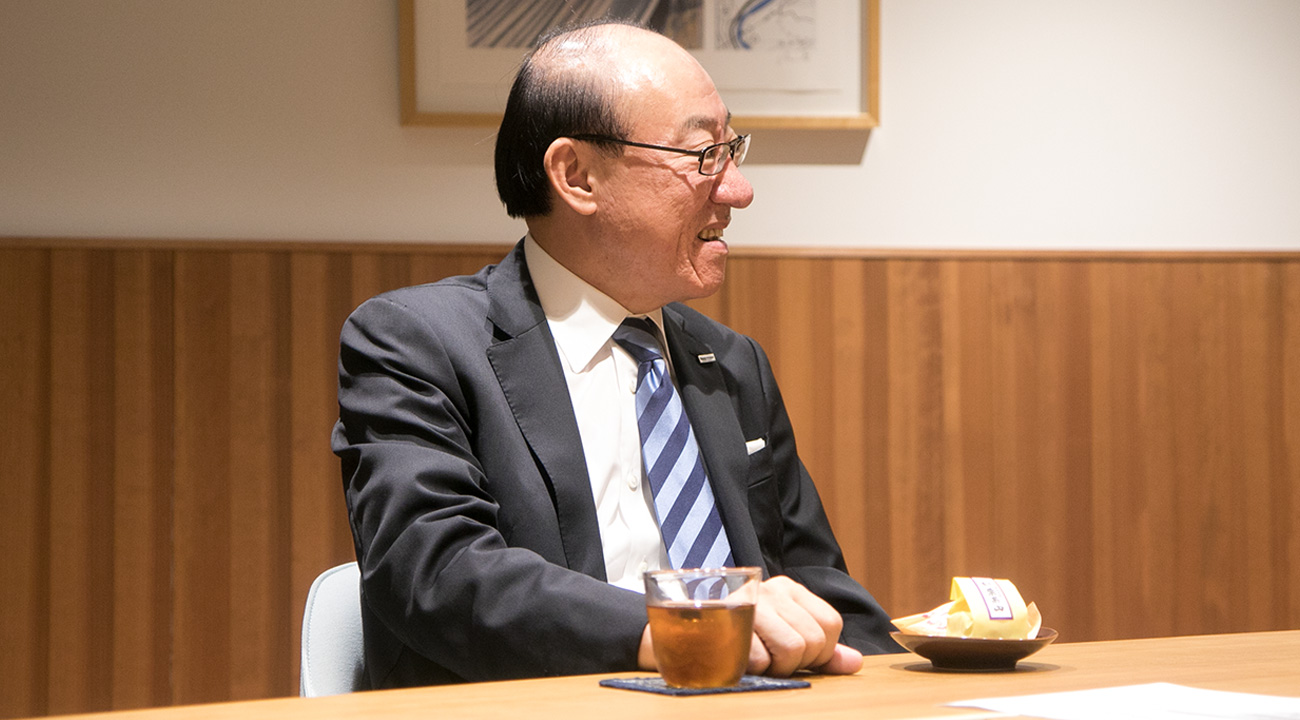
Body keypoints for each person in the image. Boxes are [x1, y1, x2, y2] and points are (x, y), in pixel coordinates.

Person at [332, 20, 901, 690]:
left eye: (732, 149)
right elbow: (436, 573)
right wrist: (685, 629)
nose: (738, 189)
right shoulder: (418, 343)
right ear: (576, 176)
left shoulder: (731, 362)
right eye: (704, 154)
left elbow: (813, 586)